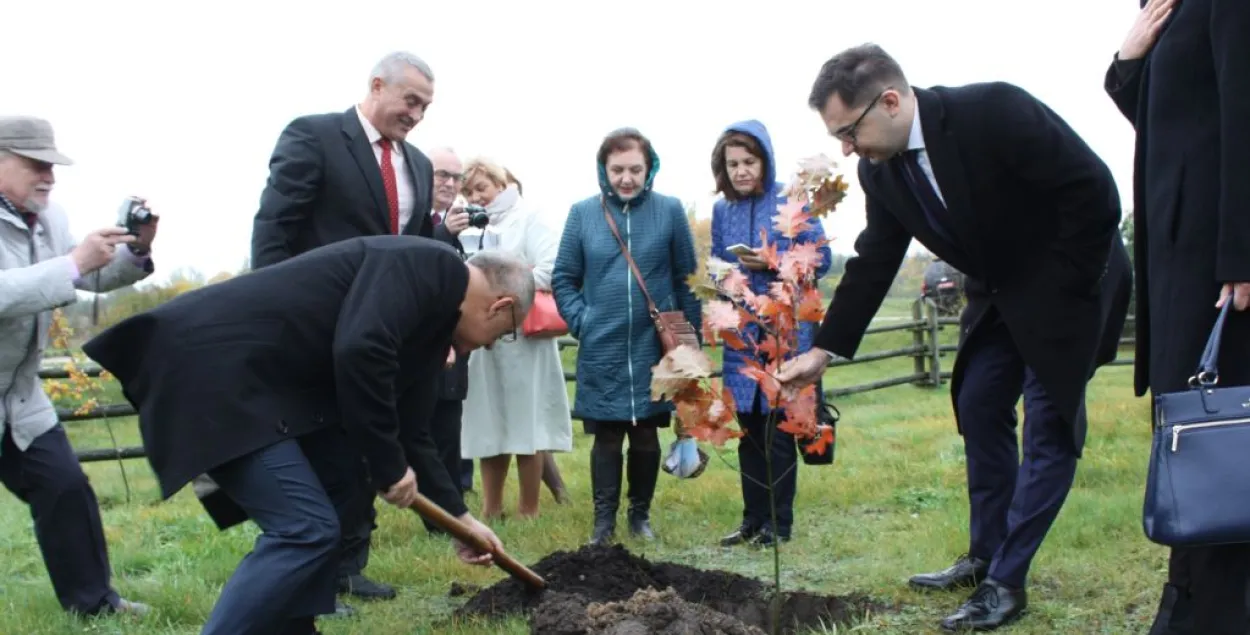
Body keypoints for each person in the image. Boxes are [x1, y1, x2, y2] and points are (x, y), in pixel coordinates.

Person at [775, 44, 1132, 631]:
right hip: (999, 292)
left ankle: (1006, 582)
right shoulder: (880, 169)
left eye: (848, 130)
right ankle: (985, 553)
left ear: (890, 101)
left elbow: (1092, 188)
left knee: (1050, 425)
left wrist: (1067, 287)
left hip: (1073, 280)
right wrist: (823, 349)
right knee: (978, 401)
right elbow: (875, 258)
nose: (845, 148)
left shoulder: (993, 111)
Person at [81, 236, 527, 635]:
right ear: (500, 305)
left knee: (343, 482)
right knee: (304, 528)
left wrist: (459, 519)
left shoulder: (434, 318)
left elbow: (411, 428)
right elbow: (361, 349)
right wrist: (391, 469)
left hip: (261, 389)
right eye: (502, 336)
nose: (488, 345)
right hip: (216, 374)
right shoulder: (432, 267)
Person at [249, 50, 440, 604]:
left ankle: (349, 565)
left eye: (426, 107)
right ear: (377, 85)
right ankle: (308, 572)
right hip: (312, 326)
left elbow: (415, 254)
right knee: (319, 450)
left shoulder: (420, 166)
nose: (417, 116)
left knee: (364, 443)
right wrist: (273, 314)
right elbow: (275, 229)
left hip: (381, 332)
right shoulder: (314, 137)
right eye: (411, 101)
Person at [1105, 0, 1250, 632]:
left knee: (1221, 434)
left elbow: (1244, 112)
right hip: (1178, 255)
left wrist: (1242, 251)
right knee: (1193, 429)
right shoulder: (1171, 10)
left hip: (1217, 260)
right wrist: (1126, 63)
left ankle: (1207, 607)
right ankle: (1191, 594)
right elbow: (1166, 121)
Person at [0, 115, 156, 617]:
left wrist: (137, 249)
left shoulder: (49, 217)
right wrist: (73, 263)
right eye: (35, 165)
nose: (48, 176)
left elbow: (86, 278)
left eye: (51, 165)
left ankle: (95, 606)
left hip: (19, 400)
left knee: (66, 489)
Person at [551, 127, 702, 545]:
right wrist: (584, 321)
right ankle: (603, 523)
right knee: (608, 434)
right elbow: (564, 277)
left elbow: (686, 279)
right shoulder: (582, 214)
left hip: (654, 347)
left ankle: (640, 517)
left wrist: (689, 344)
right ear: (604, 169)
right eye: (617, 169)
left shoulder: (669, 211)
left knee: (646, 433)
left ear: (649, 166)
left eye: (635, 168)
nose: (626, 178)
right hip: (604, 345)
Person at [708, 120, 831, 547]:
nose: (742, 170)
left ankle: (779, 525)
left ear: (765, 160)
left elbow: (820, 257)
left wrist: (774, 262)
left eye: (749, 161)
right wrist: (722, 276)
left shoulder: (791, 200)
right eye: (733, 163)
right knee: (749, 430)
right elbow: (716, 261)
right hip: (742, 334)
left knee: (779, 430)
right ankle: (751, 519)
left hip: (784, 330)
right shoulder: (723, 211)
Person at [456, 156, 573, 521]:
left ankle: (529, 508)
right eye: (470, 190)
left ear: (501, 183)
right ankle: (491, 508)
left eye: (483, 188)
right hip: (482, 334)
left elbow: (551, 268)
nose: (478, 196)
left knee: (527, 420)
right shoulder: (469, 226)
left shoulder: (531, 216)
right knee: (488, 419)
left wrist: (506, 291)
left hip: (524, 334)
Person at [425, 146, 475, 504]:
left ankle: (450, 510)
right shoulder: (410, 218)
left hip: (454, 343)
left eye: (456, 177)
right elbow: (415, 262)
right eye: (441, 175)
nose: (449, 183)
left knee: (449, 429)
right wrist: (444, 234)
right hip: (418, 345)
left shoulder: (464, 224)